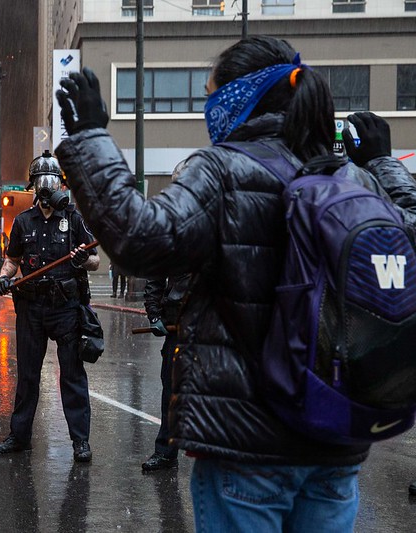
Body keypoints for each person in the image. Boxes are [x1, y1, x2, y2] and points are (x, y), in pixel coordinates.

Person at [54, 36, 416, 530]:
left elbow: (141, 239)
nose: (206, 105)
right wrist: (381, 166)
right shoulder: (353, 178)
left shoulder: (222, 168)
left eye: (209, 92)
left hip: (248, 446)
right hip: (336, 441)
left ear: (235, 97)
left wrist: (92, 137)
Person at [0, 150, 100, 463]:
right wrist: (2, 278)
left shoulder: (74, 219)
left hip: (66, 308)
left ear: (60, 184)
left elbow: (95, 259)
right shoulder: (23, 222)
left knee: (72, 375)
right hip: (31, 308)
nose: (46, 186)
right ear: (33, 185)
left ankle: (80, 441)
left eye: (51, 180)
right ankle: (19, 436)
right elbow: (12, 260)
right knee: (27, 376)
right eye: (41, 181)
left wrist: (83, 259)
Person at [141, 274, 190, 472]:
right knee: (171, 393)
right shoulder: (173, 242)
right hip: (178, 321)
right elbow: (155, 276)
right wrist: (153, 314)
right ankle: (166, 453)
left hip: (213, 321)